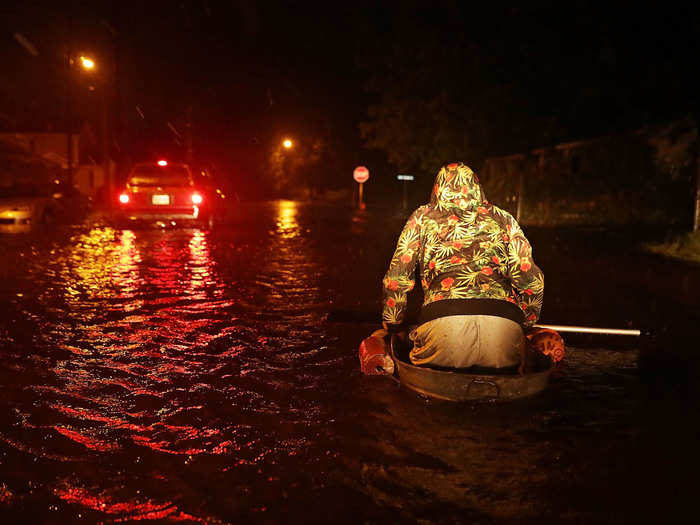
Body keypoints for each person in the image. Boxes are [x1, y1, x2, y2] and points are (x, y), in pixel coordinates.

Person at [382, 162, 544, 370]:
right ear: (477, 186)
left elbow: (397, 277)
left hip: (442, 324)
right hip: (504, 327)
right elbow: (530, 279)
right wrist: (528, 321)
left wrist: (393, 321)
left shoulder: (422, 218)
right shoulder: (503, 219)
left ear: (437, 188)